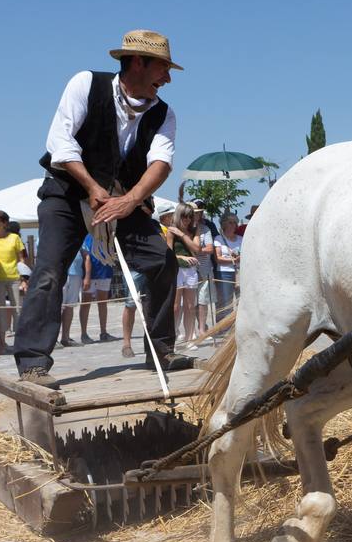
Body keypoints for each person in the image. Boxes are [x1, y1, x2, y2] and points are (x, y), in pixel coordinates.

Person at [13, 30, 184, 388]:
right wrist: (91, 187)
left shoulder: (164, 114)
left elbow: (161, 163)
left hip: (124, 199)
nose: (167, 79)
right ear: (137, 62)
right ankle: (32, 363)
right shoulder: (86, 83)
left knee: (162, 259)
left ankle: (161, 350)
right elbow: (59, 143)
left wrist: (130, 200)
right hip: (68, 193)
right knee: (48, 271)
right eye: (162, 69)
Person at [0, 210, 26, 353]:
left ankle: (21, 342)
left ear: (5, 223)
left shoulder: (15, 238)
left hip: (14, 278)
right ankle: (1, 343)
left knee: (18, 311)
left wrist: (24, 279)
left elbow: (22, 259)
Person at [170, 202, 207, 346]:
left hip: (191, 270)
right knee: (175, 306)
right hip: (177, 270)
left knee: (190, 306)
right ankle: (172, 335)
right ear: (179, 215)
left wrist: (182, 234)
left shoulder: (194, 229)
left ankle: (189, 337)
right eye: (184, 216)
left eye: (190, 216)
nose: (187, 220)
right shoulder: (171, 231)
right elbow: (168, 254)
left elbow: (196, 248)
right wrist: (182, 257)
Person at [78, 233, 117, 343]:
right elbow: (85, 255)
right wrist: (87, 275)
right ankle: (84, 333)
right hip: (90, 273)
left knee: (103, 303)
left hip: (105, 271)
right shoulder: (86, 235)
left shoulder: (108, 234)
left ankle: (103, 332)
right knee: (86, 302)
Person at [214, 212, 242, 320]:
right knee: (225, 301)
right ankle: (223, 328)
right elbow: (218, 258)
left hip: (239, 272)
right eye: (230, 222)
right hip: (224, 272)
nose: (233, 225)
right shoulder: (218, 239)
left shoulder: (240, 239)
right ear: (224, 224)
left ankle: (237, 326)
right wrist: (234, 260)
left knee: (241, 300)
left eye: (235, 222)